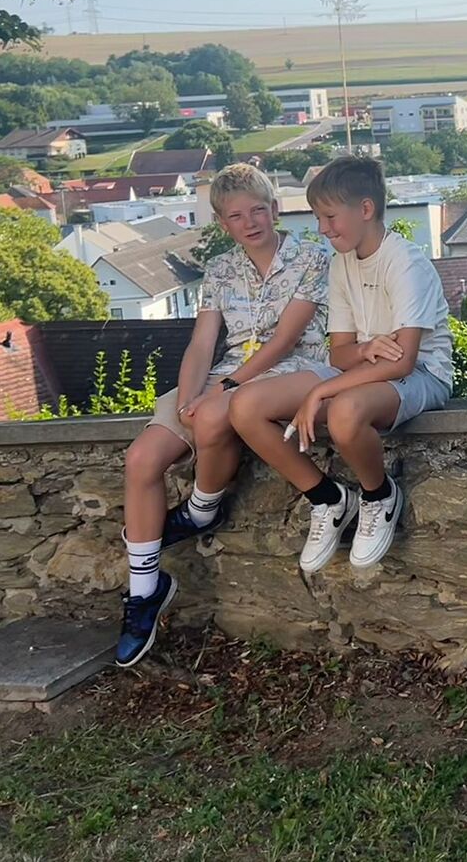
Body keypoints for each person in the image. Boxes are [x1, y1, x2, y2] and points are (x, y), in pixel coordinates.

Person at [116, 163, 331, 666]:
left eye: (258, 210)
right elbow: (202, 343)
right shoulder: (218, 270)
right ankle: (145, 591)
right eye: (236, 216)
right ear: (221, 223)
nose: (250, 222)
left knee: (212, 417)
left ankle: (201, 509)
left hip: (287, 370)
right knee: (141, 459)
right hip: (223, 376)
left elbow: (285, 340)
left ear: (275, 209)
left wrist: (223, 390)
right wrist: (189, 398)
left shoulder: (312, 257)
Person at [228, 154, 452, 574]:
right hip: (363, 372)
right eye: (318, 218)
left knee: (344, 412)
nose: (322, 228)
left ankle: (379, 494)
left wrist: (321, 390)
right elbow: (340, 354)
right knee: (244, 405)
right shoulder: (341, 263)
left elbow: (403, 362)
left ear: (365, 209)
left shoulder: (406, 262)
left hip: (424, 374)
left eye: (329, 217)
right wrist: (363, 351)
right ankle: (328, 498)